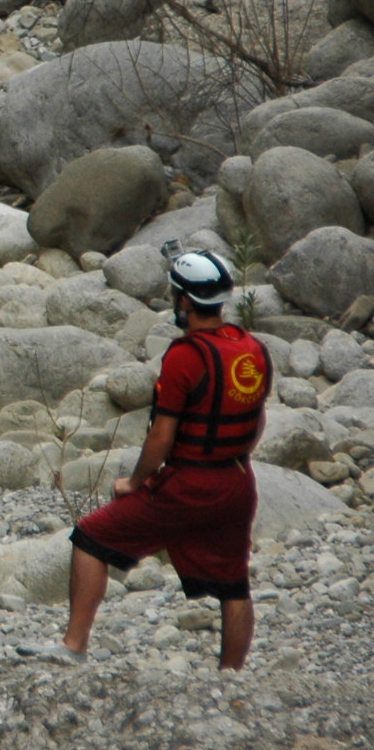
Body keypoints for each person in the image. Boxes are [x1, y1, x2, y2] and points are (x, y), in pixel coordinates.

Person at [49, 249, 270, 669]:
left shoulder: (185, 355)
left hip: (191, 483)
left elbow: (160, 436)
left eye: (175, 296)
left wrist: (134, 483)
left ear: (185, 301)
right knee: (234, 583)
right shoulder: (252, 349)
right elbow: (256, 422)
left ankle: (73, 646)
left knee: (90, 538)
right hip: (238, 481)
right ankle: (231, 677)